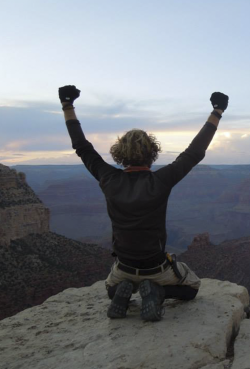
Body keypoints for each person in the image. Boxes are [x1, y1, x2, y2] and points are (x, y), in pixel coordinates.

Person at [58, 84, 228, 321]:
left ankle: (122, 291)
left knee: (110, 288)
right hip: (155, 267)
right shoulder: (161, 180)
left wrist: (67, 105)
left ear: (120, 154)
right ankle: (157, 291)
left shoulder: (108, 178)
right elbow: (194, 152)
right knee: (192, 288)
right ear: (153, 153)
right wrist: (217, 111)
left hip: (124, 266)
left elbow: (82, 147)